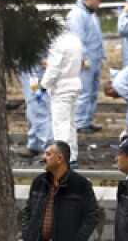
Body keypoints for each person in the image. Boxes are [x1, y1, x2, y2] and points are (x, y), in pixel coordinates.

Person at [19, 141, 102, 241]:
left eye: (48, 154)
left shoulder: (81, 185)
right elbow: (27, 211)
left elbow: (92, 216)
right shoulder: (38, 182)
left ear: (59, 158)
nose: (43, 158)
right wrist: (26, 234)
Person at [40, 29, 85, 164]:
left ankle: (61, 159)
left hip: (61, 88)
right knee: (71, 124)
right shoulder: (74, 40)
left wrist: (43, 85)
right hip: (74, 84)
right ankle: (72, 156)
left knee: (61, 126)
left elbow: (54, 69)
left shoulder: (57, 44)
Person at [66, 0, 106, 134]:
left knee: (92, 92)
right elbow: (77, 38)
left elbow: (96, 37)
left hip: (94, 59)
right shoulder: (76, 15)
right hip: (85, 61)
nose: (99, 4)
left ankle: (87, 119)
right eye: (98, 0)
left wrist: (102, 55)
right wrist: (82, 58)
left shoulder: (90, 14)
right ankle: (80, 122)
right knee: (84, 91)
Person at [18, 64, 54, 160]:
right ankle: (35, 145)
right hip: (31, 70)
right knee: (32, 110)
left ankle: (48, 148)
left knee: (39, 109)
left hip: (35, 71)